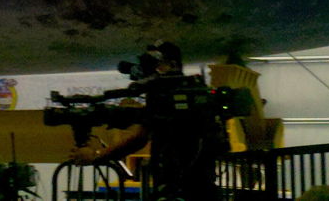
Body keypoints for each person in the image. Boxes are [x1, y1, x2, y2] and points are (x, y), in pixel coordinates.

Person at [69, 41, 229, 201]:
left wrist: (96, 156)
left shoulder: (168, 96)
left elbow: (139, 138)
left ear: (172, 64)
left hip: (177, 187)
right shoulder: (196, 90)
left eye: (154, 64)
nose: (149, 71)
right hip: (201, 186)